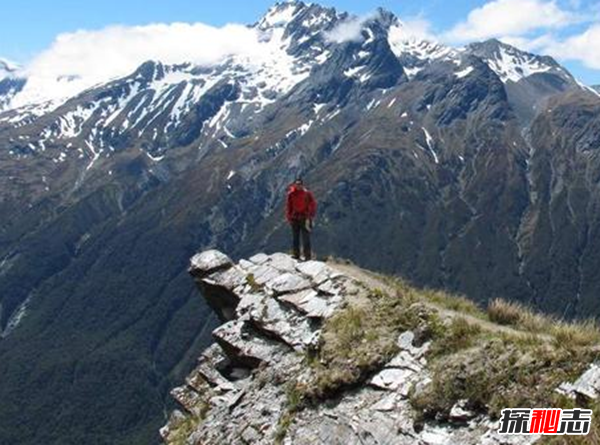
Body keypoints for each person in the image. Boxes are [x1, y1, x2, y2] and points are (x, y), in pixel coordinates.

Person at [286, 177, 317, 261]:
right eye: (296, 184)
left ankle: (307, 256)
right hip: (295, 218)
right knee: (295, 238)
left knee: (306, 238)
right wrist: (289, 217)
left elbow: (313, 204)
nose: (298, 186)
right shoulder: (291, 194)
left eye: (299, 184)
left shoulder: (307, 193)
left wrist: (310, 215)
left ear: (302, 185)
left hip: (305, 218)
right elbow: (289, 206)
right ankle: (296, 255)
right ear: (294, 185)